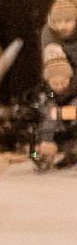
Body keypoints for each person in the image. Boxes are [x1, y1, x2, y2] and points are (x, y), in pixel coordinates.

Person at [26, 42, 77, 171]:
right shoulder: (44, 96)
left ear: (69, 79)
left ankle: (72, 155)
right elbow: (43, 120)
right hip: (50, 136)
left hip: (70, 134)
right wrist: (44, 142)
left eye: (63, 82)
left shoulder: (74, 94)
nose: (59, 86)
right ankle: (39, 158)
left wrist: (59, 114)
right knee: (33, 150)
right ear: (48, 82)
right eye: (55, 83)